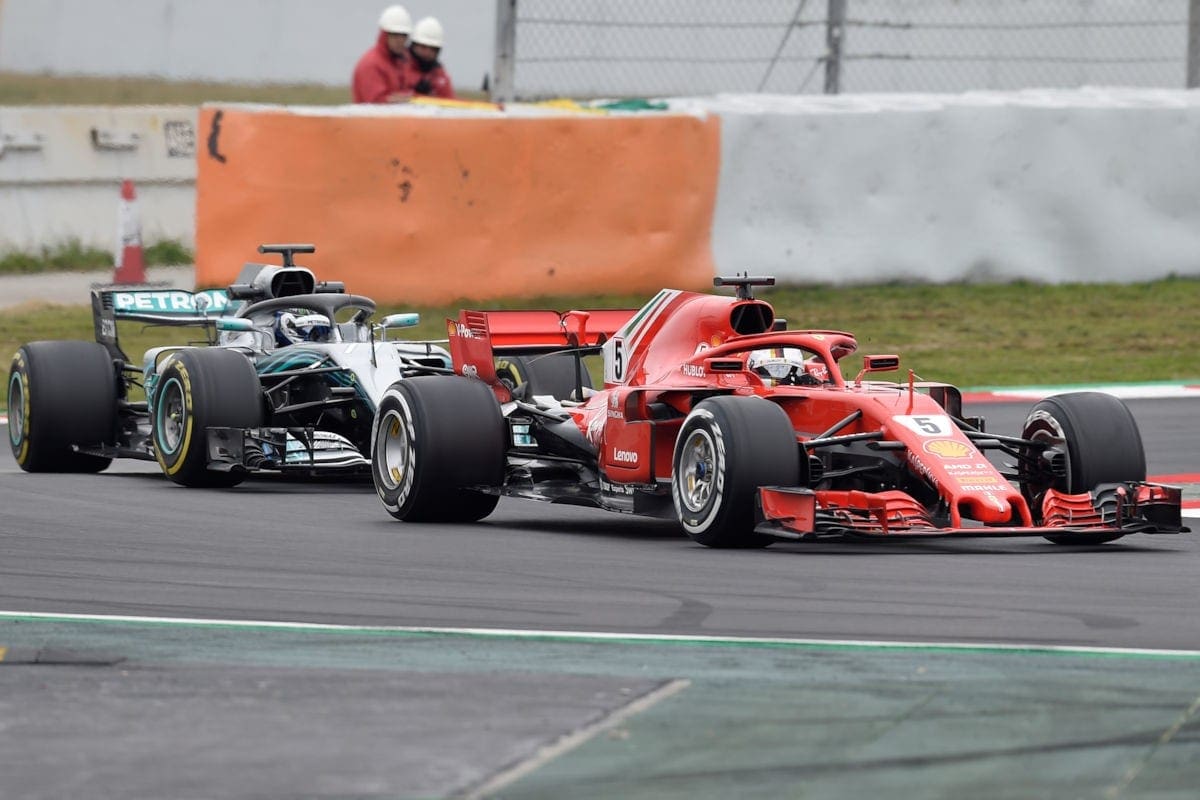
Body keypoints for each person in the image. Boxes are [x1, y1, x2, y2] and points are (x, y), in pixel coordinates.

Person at [352, 5, 414, 103]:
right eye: (395, 35)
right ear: (384, 35)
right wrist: (406, 100)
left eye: (403, 35)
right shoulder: (371, 64)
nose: (400, 40)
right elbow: (375, 103)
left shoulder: (402, 61)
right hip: (371, 118)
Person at [403, 17, 456, 99]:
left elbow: (450, 103)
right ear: (414, 45)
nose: (428, 53)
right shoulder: (398, 67)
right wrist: (414, 94)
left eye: (433, 49)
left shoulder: (440, 75)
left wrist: (431, 97)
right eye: (423, 47)